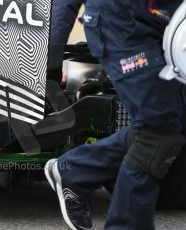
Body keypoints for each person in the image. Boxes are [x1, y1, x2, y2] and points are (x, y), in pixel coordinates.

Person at [45, 0, 184, 229]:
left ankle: (74, 170)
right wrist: (53, 52)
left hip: (165, 27)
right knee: (156, 134)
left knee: (167, 124)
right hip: (119, 23)